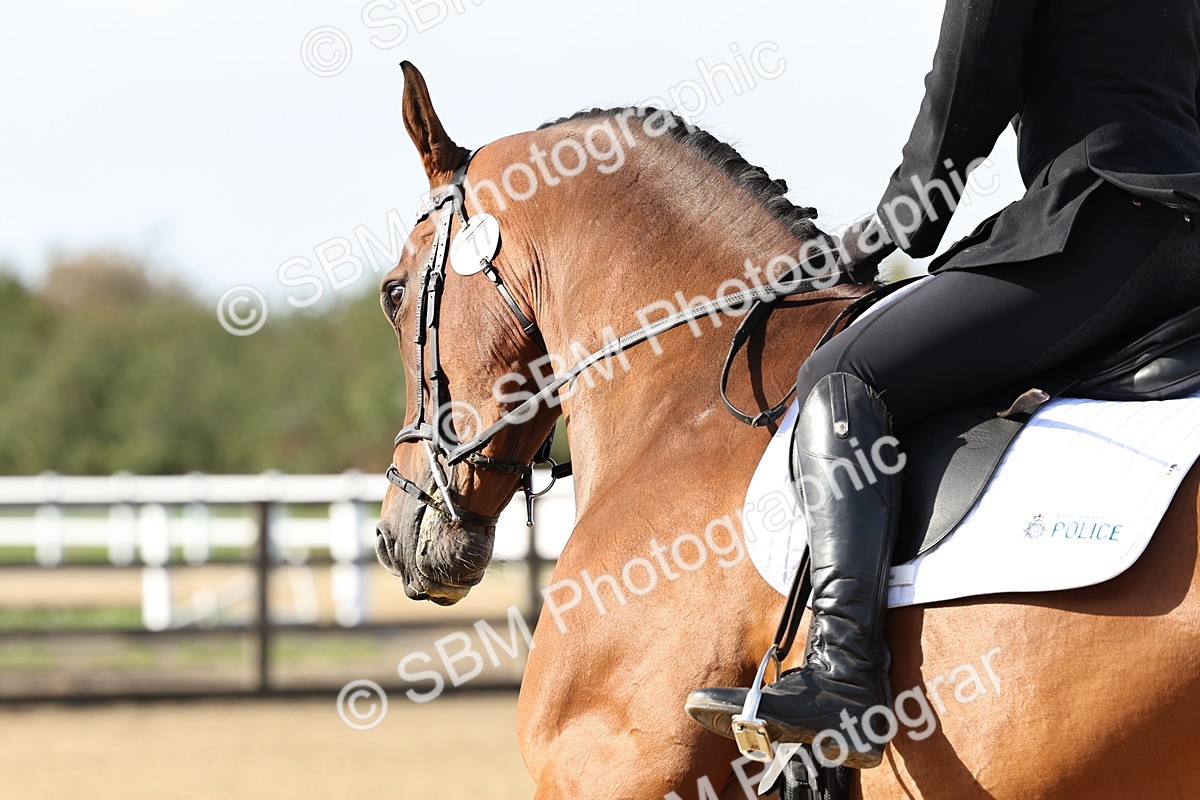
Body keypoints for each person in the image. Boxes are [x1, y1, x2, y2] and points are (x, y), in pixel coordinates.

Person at [685, 0, 1200, 769]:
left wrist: (883, 231)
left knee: (843, 372)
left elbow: (963, 95)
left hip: (1096, 224)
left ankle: (843, 676)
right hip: (1183, 243)